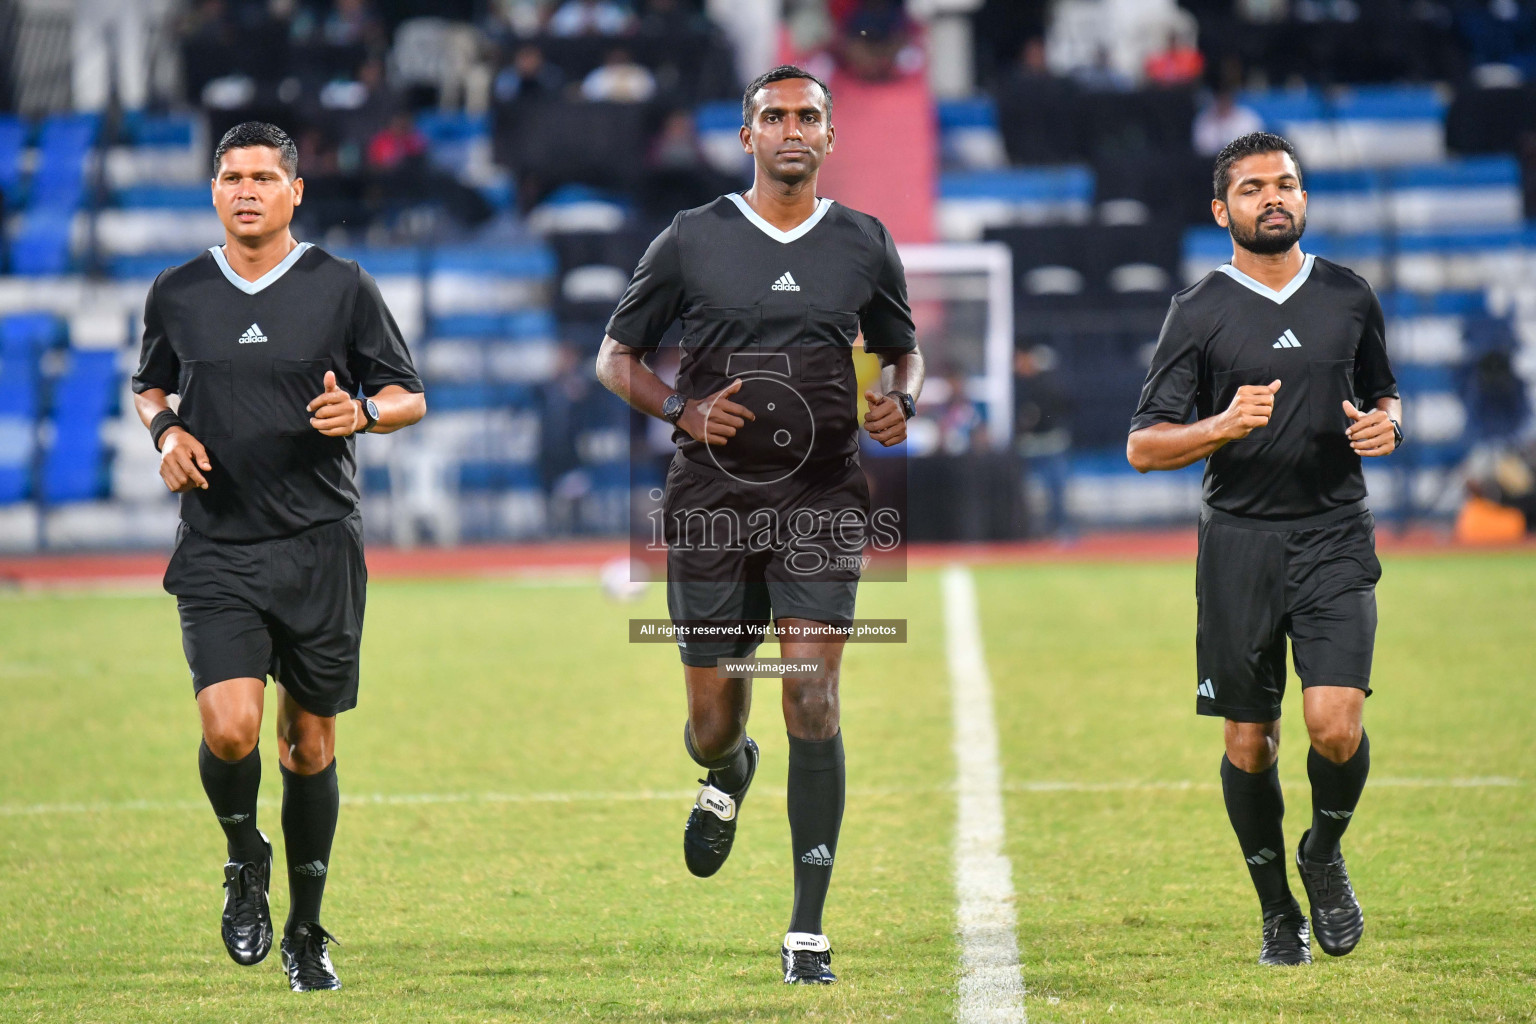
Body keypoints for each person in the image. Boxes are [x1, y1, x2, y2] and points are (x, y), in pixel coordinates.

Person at [594, 64, 924, 985]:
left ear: (829, 136)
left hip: (822, 500)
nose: (791, 129)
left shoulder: (864, 242)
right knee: (710, 720)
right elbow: (615, 360)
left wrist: (899, 398)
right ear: (747, 137)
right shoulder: (692, 239)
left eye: (808, 117)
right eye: (773, 116)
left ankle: (807, 928)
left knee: (809, 693)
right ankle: (728, 769)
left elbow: (903, 352)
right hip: (710, 504)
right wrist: (684, 412)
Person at [130, 121, 426, 992]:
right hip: (219, 545)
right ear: (214, 191)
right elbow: (150, 382)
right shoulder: (177, 291)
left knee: (307, 747)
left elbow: (407, 394)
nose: (247, 189)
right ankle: (242, 854)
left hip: (319, 546)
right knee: (229, 731)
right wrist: (167, 429)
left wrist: (366, 416)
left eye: (264, 176)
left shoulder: (342, 287)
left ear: (296, 191)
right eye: (232, 177)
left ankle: (306, 930)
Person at [1127, 132, 1401, 966]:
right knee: (1251, 743)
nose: (1273, 197)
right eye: (1252, 188)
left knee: (1335, 727)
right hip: (1239, 545)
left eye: (1286, 184)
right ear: (1224, 210)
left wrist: (1390, 420)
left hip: (1333, 534)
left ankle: (1321, 852)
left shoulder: (1350, 295)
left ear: (1304, 199)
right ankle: (1277, 909)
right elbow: (1144, 446)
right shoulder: (1198, 309)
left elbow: (1383, 387)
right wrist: (1220, 425)